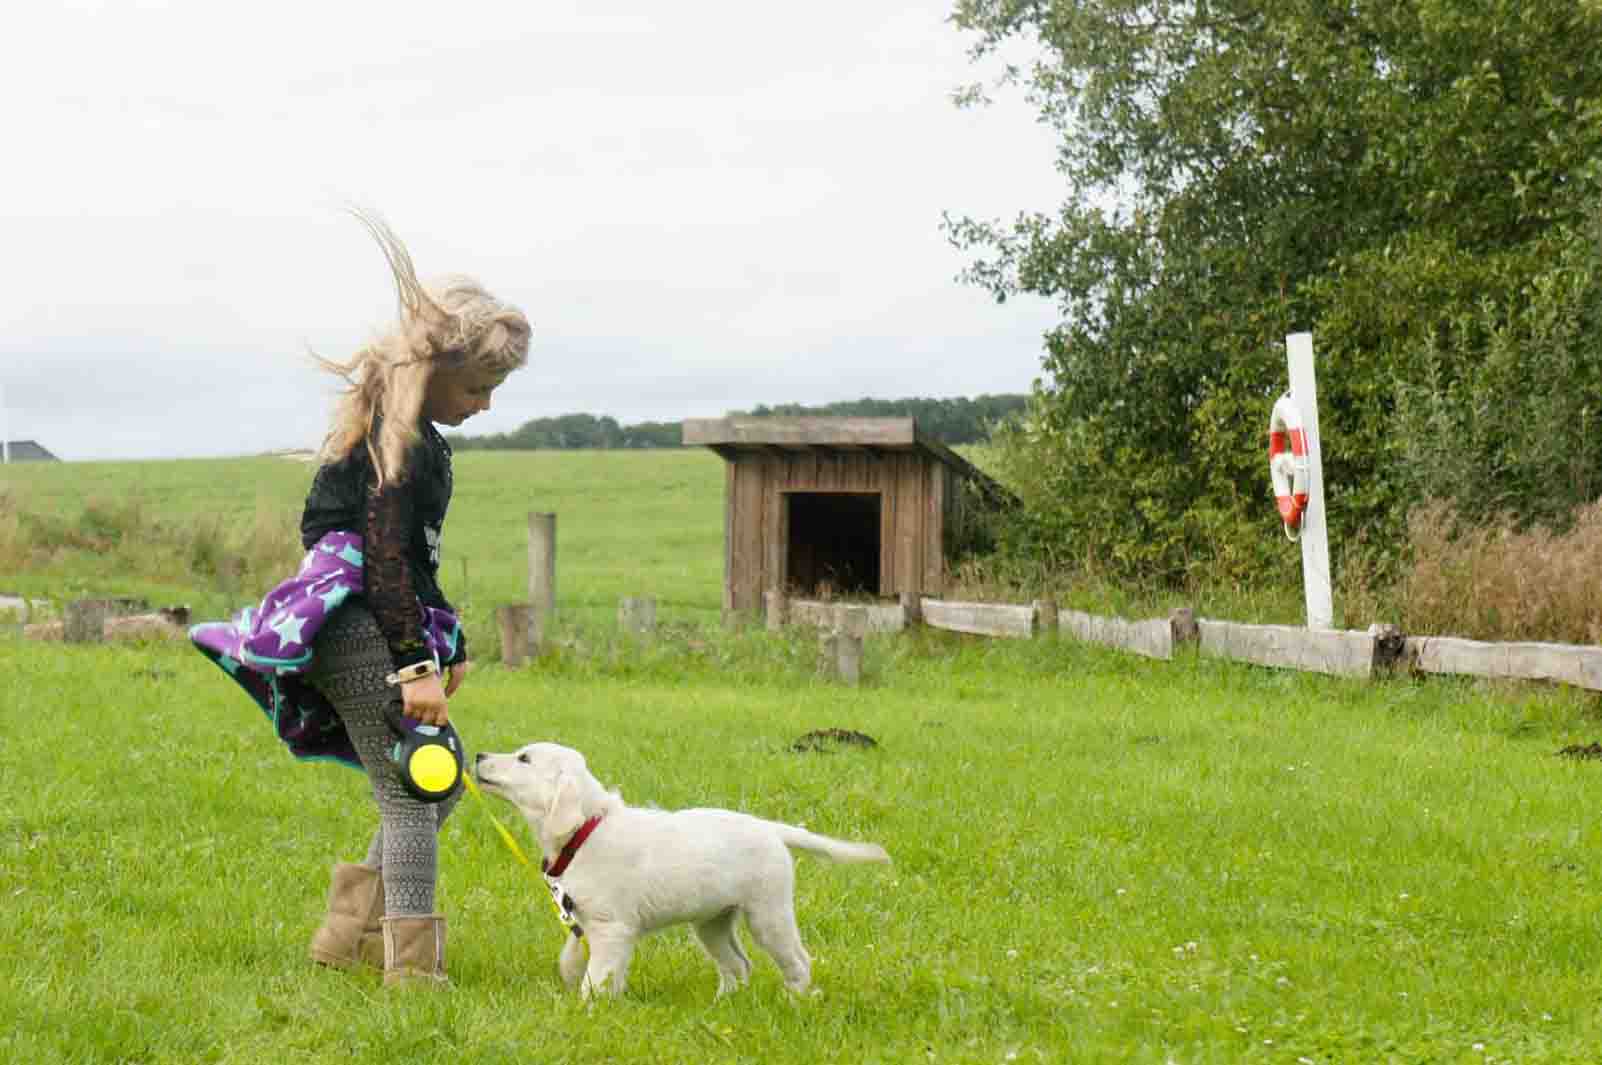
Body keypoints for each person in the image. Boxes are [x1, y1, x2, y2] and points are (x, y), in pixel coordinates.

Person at [190, 210, 531, 986]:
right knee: (414, 790)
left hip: (373, 627)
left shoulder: (414, 439)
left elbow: (414, 560)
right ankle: (412, 973)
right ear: (435, 368)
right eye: (478, 387)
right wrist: (414, 664)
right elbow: (381, 559)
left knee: (433, 786)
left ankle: (345, 939)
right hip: (359, 630)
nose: (485, 404)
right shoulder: (392, 440)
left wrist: (450, 645)